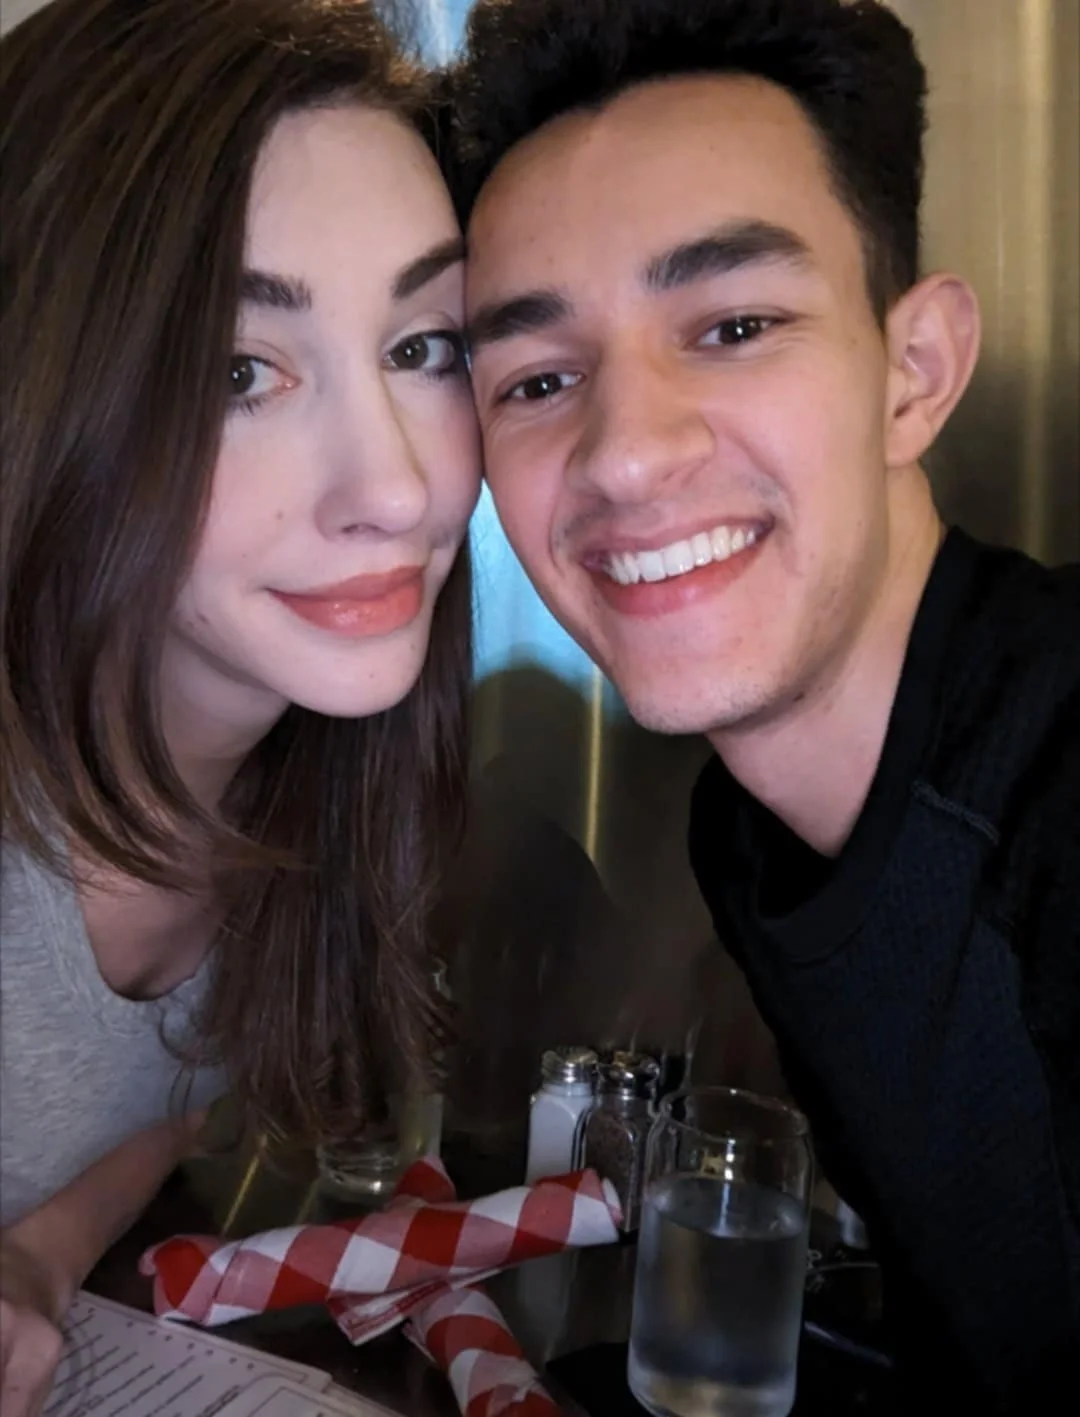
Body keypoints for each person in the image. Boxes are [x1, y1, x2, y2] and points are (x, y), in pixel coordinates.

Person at [449, 0, 1080, 1407]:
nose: (624, 454)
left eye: (733, 324)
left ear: (913, 373)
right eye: (540, 379)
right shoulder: (751, 828)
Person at [0, 0, 479, 1410]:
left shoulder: (308, 781)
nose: (393, 488)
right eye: (238, 373)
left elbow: (161, 1109)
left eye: (422, 347)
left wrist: (41, 1257)